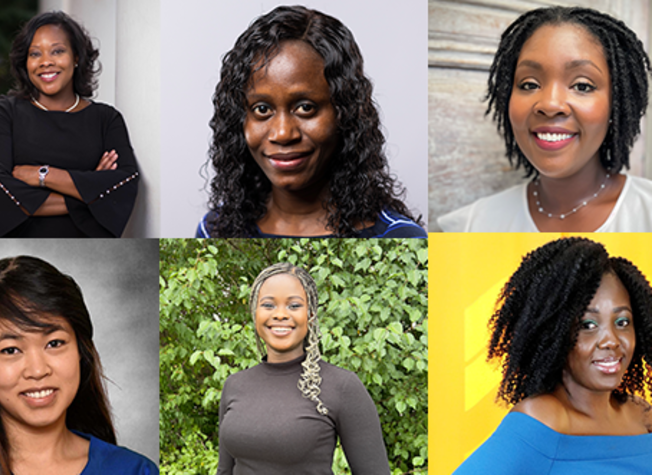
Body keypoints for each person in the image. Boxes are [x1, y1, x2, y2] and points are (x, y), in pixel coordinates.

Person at [196, 5, 426, 238]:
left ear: (346, 113)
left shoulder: (398, 237)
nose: (283, 133)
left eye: (306, 108)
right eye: (262, 109)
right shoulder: (214, 230)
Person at [0, 256, 157, 475]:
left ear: (81, 350)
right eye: (11, 350)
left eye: (54, 343)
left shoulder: (134, 470)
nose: (38, 370)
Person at [438, 6, 652, 232]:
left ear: (616, 103)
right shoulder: (468, 229)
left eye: (582, 86)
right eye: (529, 84)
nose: (550, 105)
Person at [454, 237, 652, 473]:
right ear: (553, 334)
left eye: (622, 322)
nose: (611, 340)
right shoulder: (542, 419)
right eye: (587, 325)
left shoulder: (641, 414)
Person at [0, 11, 139, 237]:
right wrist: (89, 192)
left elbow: (124, 184)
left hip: (86, 248)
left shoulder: (106, 119)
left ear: (76, 57)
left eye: (58, 51)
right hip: (17, 243)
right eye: (35, 54)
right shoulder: (5, 113)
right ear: (26, 62)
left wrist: (43, 175)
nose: (46, 62)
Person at [216, 263, 391, 474]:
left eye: (294, 306)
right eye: (269, 305)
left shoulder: (342, 386)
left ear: (310, 315)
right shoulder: (235, 385)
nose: (280, 314)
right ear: (255, 313)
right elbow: (225, 470)